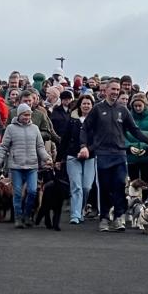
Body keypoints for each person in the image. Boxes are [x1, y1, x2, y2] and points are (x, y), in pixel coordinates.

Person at [80, 79, 148, 232]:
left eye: (118, 90)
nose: (116, 92)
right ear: (106, 90)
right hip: (102, 154)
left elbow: (134, 130)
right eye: (113, 89)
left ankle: (118, 217)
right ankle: (104, 218)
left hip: (120, 155)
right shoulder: (97, 109)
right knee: (104, 187)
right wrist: (84, 147)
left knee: (119, 185)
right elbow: (85, 128)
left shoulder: (123, 110)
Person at [0, 103, 52, 228]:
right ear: (19, 115)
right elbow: (4, 146)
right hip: (16, 166)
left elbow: (40, 147)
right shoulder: (10, 128)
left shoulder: (35, 128)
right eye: (25, 115)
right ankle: (18, 218)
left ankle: (27, 215)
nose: (27, 117)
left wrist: (46, 158)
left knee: (32, 191)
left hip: (32, 166)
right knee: (18, 194)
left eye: (29, 115)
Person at [58, 94, 96, 224]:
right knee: (76, 186)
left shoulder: (96, 121)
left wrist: (88, 150)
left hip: (91, 157)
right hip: (73, 156)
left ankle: (82, 208)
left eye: (88, 104)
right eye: (84, 103)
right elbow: (65, 140)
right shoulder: (72, 120)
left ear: (92, 106)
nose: (86, 106)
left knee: (87, 187)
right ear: (80, 105)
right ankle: (75, 214)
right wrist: (59, 159)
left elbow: (98, 140)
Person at [126, 93, 148, 184]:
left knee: (147, 185)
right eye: (135, 106)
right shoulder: (127, 118)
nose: (137, 108)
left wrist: (147, 147)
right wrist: (129, 147)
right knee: (133, 185)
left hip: (147, 157)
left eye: (139, 106)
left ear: (144, 105)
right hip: (131, 158)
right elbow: (122, 136)